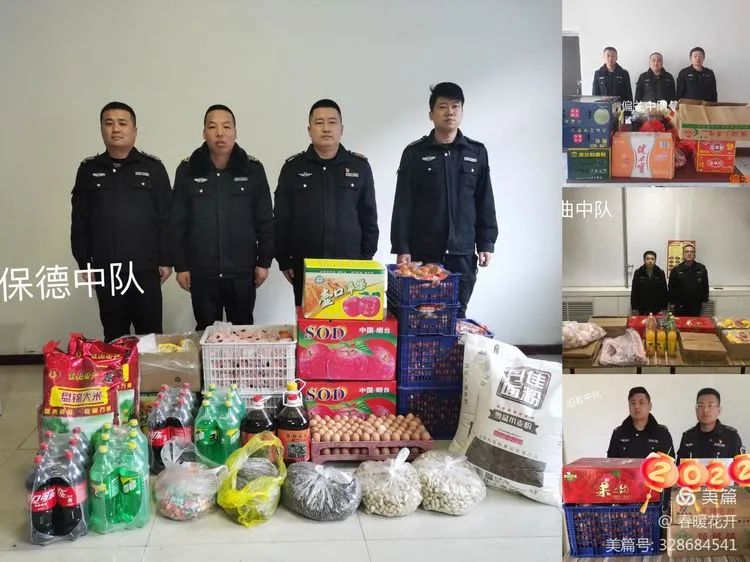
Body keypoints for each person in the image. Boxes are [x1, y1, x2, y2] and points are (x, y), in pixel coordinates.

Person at [390, 82, 498, 317]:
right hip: (424, 253)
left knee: (456, 315)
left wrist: (486, 242)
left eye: (455, 106)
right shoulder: (415, 153)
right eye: (443, 107)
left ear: (462, 112)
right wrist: (401, 247)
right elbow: (403, 204)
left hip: (462, 254)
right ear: (431, 114)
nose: (450, 112)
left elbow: (484, 200)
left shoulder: (476, 153)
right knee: (421, 315)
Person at [70, 101, 172, 342]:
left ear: (134, 130)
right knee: (115, 337)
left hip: (145, 269)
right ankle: (119, 369)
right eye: (109, 123)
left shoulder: (153, 168)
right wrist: (84, 263)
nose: (115, 129)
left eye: (122, 123)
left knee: (150, 337)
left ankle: (149, 369)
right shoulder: (88, 170)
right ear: (101, 130)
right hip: (108, 270)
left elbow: (167, 218)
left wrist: (167, 260)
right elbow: (80, 220)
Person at [170, 104, 274, 330]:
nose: (220, 133)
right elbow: (177, 222)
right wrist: (181, 265)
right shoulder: (187, 170)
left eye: (226, 127)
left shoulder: (253, 170)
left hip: (242, 272)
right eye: (212, 127)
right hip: (202, 272)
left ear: (235, 132)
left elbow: (265, 219)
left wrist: (264, 262)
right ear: (204, 133)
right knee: (206, 333)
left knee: (243, 333)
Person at [274, 99, 378, 306]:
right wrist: (284, 260)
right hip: (306, 266)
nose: (326, 128)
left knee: (347, 319)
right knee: (309, 323)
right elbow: (281, 219)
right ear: (309, 129)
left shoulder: (359, 167)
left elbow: (369, 218)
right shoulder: (293, 168)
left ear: (341, 129)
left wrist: (364, 261)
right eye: (319, 122)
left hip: (350, 267)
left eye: (332, 122)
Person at [607, 387, 674, 458]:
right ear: (629, 406)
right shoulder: (618, 434)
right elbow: (610, 462)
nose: (636, 406)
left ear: (650, 406)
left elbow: (670, 463)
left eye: (641, 403)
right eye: (633, 403)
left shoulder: (662, 434)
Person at [677, 388, 743, 460]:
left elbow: (740, 465)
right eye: (701, 405)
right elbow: (679, 465)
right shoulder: (687, 437)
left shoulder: (732, 437)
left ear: (719, 410)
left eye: (710, 405)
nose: (705, 410)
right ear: (696, 409)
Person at [668, 244, 709, 317]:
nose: (689, 253)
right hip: (680, 306)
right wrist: (672, 303)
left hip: (696, 305)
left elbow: (705, 286)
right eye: (686, 251)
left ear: (694, 255)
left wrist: (705, 300)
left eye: (692, 252)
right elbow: (671, 287)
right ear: (683, 254)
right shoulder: (676, 269)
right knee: (680, 324)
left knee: (695, 324)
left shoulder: (701, 268)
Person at [631, 250, 668, 315]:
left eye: (652, 259)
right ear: (644, 260)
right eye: (648, 259)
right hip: (642, 308)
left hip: (657, 308)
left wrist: (664, 308)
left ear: (655, 260)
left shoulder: (660, 272)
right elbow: (634, 291)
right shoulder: (638, 272)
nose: (650, 261)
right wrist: (634, 307)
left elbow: (664, 291)